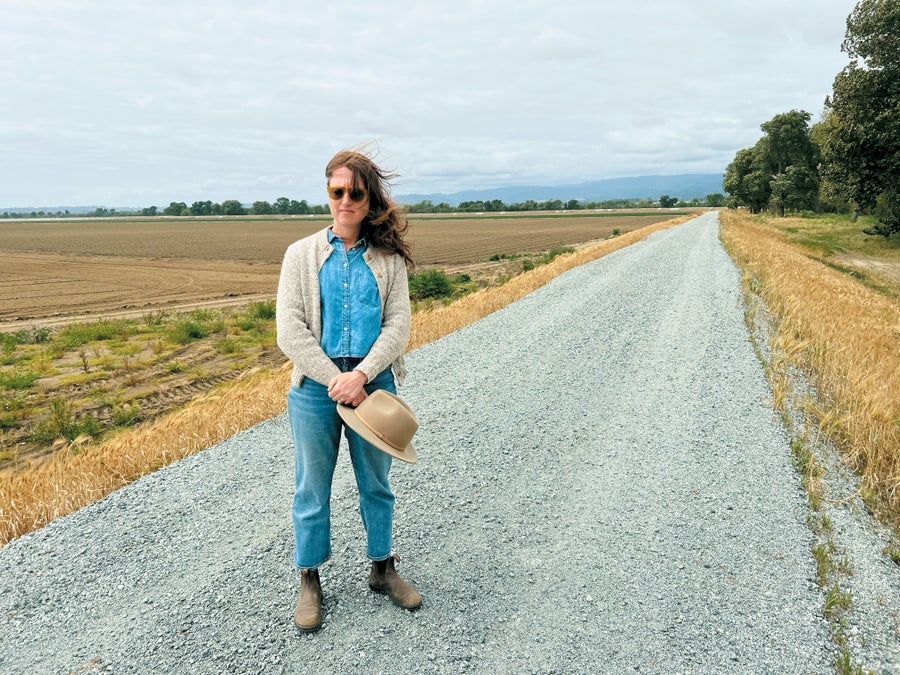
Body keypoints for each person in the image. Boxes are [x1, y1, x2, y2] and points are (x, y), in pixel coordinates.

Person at [276, 148, 421, 632]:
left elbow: (398, 326)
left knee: (376, 484)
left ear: (368, 197)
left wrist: (360, 375)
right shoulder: (301, 255)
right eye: (336, 191)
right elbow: (289, 330)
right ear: (328, 194)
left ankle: (382, 567)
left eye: (354, 193)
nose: (344, 201)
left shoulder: (389, 259)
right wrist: (333, 378)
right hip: (316, 388)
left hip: (372, 384)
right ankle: (310, 578)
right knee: (311, 488)